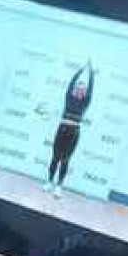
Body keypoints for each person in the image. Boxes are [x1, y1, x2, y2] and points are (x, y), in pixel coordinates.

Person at [44, 62, 95, 198]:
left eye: (82, 89)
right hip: (61, 130)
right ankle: (49, 182)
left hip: (73, 133)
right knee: (55, 157)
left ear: (84, 92)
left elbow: (91, 88)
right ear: (75, 90)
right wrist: (81, 70)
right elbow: (71, 83)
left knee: (65, 160)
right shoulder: (69, 97)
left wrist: (91, 72)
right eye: (78, 87)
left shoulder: (86, 101)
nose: (80, 89)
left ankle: (59, 187)